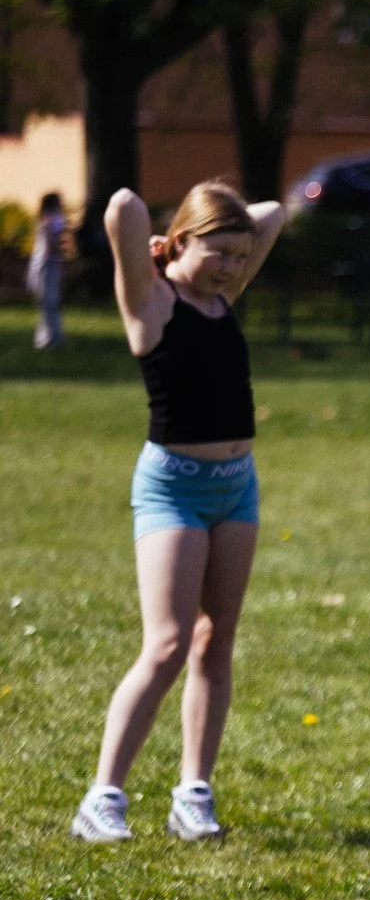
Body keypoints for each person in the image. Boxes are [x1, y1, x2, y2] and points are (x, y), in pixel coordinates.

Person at [73, 183, 290, 844]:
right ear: (180, 242)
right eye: (217, 252)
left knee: (214, 640)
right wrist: (164, 246)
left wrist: (218, 236)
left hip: (237, 485)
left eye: (238, 256)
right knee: (167, 644)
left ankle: (192, 792)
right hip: (173, 487)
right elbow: (121, 206)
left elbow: (273, 215)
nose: (230, 266)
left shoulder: (222, 297)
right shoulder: (152, 300)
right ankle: (102, 797)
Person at [27, 191, 68, 350]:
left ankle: (47, 338)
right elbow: (53, 243)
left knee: (47, 303)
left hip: (42, 264)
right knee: (50, 302)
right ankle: (51, 338)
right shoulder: (55, 220)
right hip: (47, 264)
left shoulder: (45, 220)